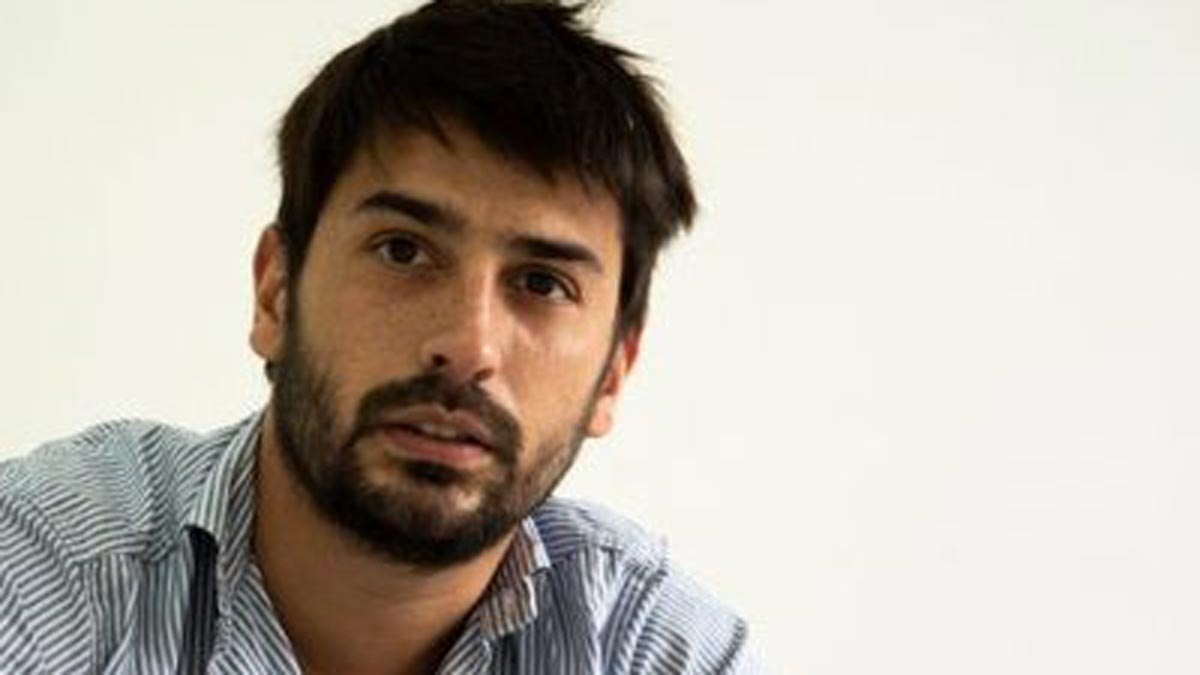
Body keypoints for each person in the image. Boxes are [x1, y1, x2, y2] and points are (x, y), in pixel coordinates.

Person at [0, 1, 761, 672]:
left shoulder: (659, 649)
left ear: (615, 372)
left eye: (541, 283)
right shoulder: (47, 570)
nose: (468, 347)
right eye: (403, 250)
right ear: (275, 291)